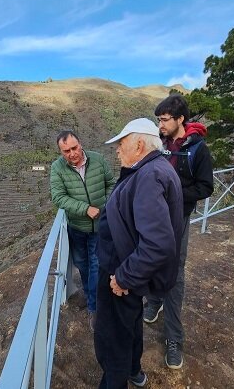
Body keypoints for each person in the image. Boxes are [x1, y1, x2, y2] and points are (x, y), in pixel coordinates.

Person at [94, 118, 184, 389]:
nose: (117, 151)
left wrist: (123, 277)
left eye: (121, 145)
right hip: (127, 271)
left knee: (112, 338)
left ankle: (116, 380)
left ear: (140, 144)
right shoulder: (154, 169)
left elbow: (157, 243)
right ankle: (134, 370)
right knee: (130, 325)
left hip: (120, 274)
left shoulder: (148, 176)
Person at [144, 94, 214, 369]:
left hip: (178, 219)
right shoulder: (159, 144)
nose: (159, 124)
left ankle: (174, 338)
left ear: (180, 119)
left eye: (164, 120)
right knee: (151, 261)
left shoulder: (198, 149)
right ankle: (154, 300)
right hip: (155, 218)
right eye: (158, 120)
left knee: (175, 273)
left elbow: (205, 187)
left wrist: (174, 195)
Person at [50, 130, 116, 331]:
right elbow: (58, 197)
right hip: (77, 227)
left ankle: (95, 309)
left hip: (100, 227)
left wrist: (104, 208)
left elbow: (111, 184)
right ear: (61, 152)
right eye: (66, 151)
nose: (72, 153)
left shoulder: (97, 159)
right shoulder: (57, 168)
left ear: (81, 144)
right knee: (83, 266)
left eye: (74, 148)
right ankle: (91, 298)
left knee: (96, 266)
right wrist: (85, 209)